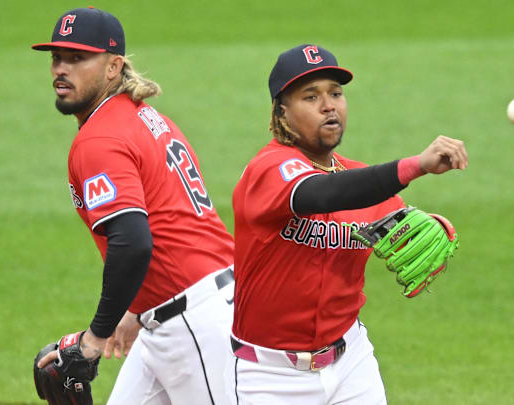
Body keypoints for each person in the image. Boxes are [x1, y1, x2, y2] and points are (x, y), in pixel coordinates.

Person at [226, 44, 468, 405]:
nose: (329, 106)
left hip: (351, 361)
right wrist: (416, 165)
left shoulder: (358, 179)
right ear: (282, 110)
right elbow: (323, 194)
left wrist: (434, 226)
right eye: (311, 97)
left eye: (336, 94)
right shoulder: (269, 170)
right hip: (270, 377)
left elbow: (398, 220)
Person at [31, 7, 235, 405]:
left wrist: (95, 337)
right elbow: (169, 221)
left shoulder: (98, 140)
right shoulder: (144, 117)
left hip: (196, 325)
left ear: (113, 67)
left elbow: (132, 242)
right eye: (57, 57)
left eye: (78, 58)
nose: (61, 69)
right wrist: (135, 310)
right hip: (186, 307)